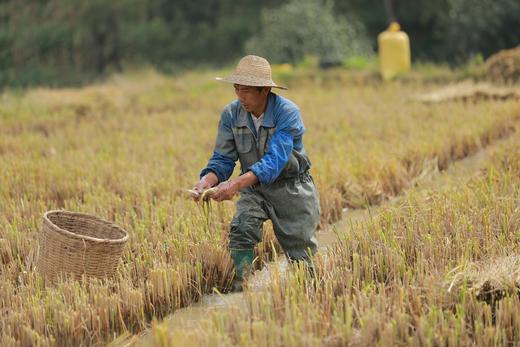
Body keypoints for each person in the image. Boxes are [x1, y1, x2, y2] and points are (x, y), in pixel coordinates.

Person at [191, 55, 320, 292]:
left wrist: (235, 185)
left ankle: (310, 293)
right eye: (237, 89)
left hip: (291, 187)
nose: (240, 96)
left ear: (264, 91)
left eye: (247, 90)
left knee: (300, 249)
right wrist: (205, 182)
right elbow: (223, 158)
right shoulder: (231, 114)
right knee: (242, 228)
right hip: (254, 189)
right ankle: (242, 288)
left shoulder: (287, 113)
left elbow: (274, 162)